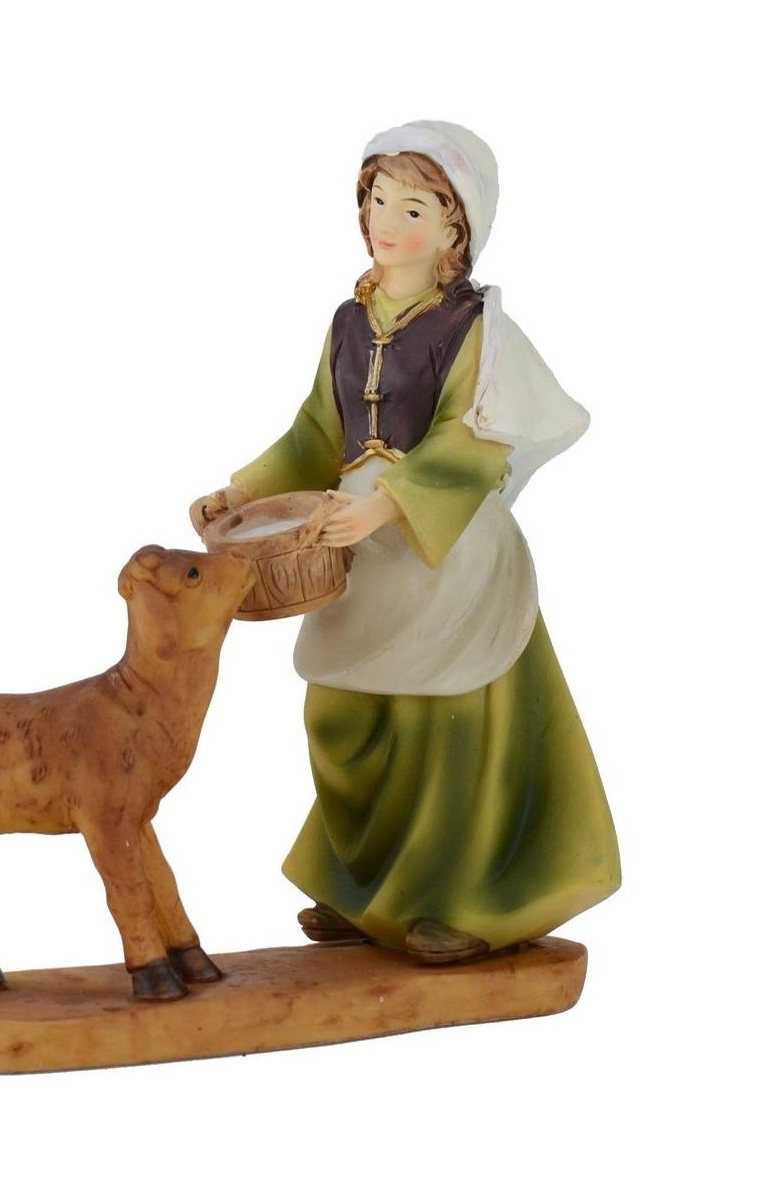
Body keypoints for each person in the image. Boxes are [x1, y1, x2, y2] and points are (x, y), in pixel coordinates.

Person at [191, 121, 620, 963]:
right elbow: (318, 431)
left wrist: (387, 508)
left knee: (441, 720)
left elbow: (476, 442)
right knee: (341, 713)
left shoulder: (476, 329)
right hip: (354, 546)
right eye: (378, 200)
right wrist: (242, 490)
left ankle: (449, 901)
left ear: (456, 229)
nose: (386, 223)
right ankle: (367, 888)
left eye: (413, 209)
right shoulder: (349, 320)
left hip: (442, 546)